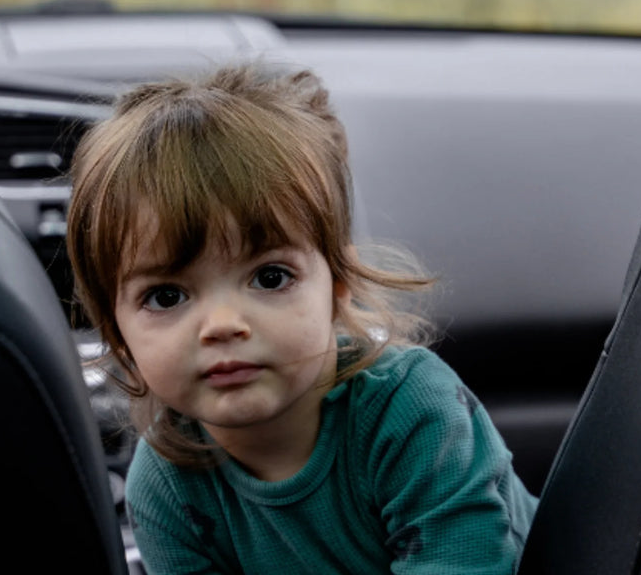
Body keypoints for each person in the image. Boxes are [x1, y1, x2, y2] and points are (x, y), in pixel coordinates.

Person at [66, 63, 538, 575]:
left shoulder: (409, 412)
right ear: (117, 334)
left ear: (337, 286)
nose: (222, 324)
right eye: (165, 296)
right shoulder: (165, 487)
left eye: (269, 278)